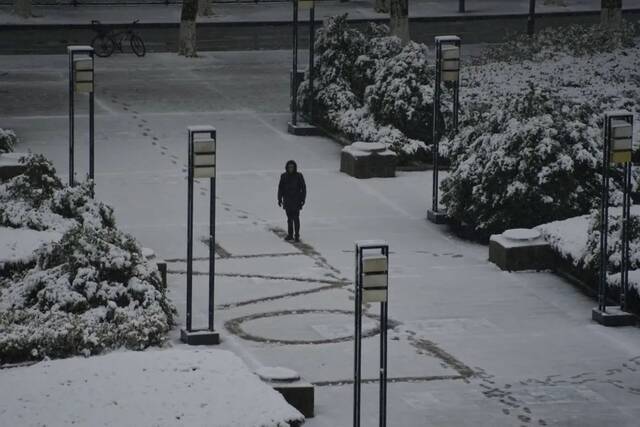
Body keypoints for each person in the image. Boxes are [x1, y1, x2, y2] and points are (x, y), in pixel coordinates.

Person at [277, 160, 306, 242]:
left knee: (296, 218)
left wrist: (303, 199)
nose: (291, 169)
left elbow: (303, 188)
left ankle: (296, 235)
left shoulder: (299, 176)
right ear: (287, 167)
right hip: (287, 200)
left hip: (296, 200)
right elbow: (280, 188)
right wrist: (279, 198)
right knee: (289, 219)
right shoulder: (283, 176)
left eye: (292, 167)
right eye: (289, 167)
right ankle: (290, 234)